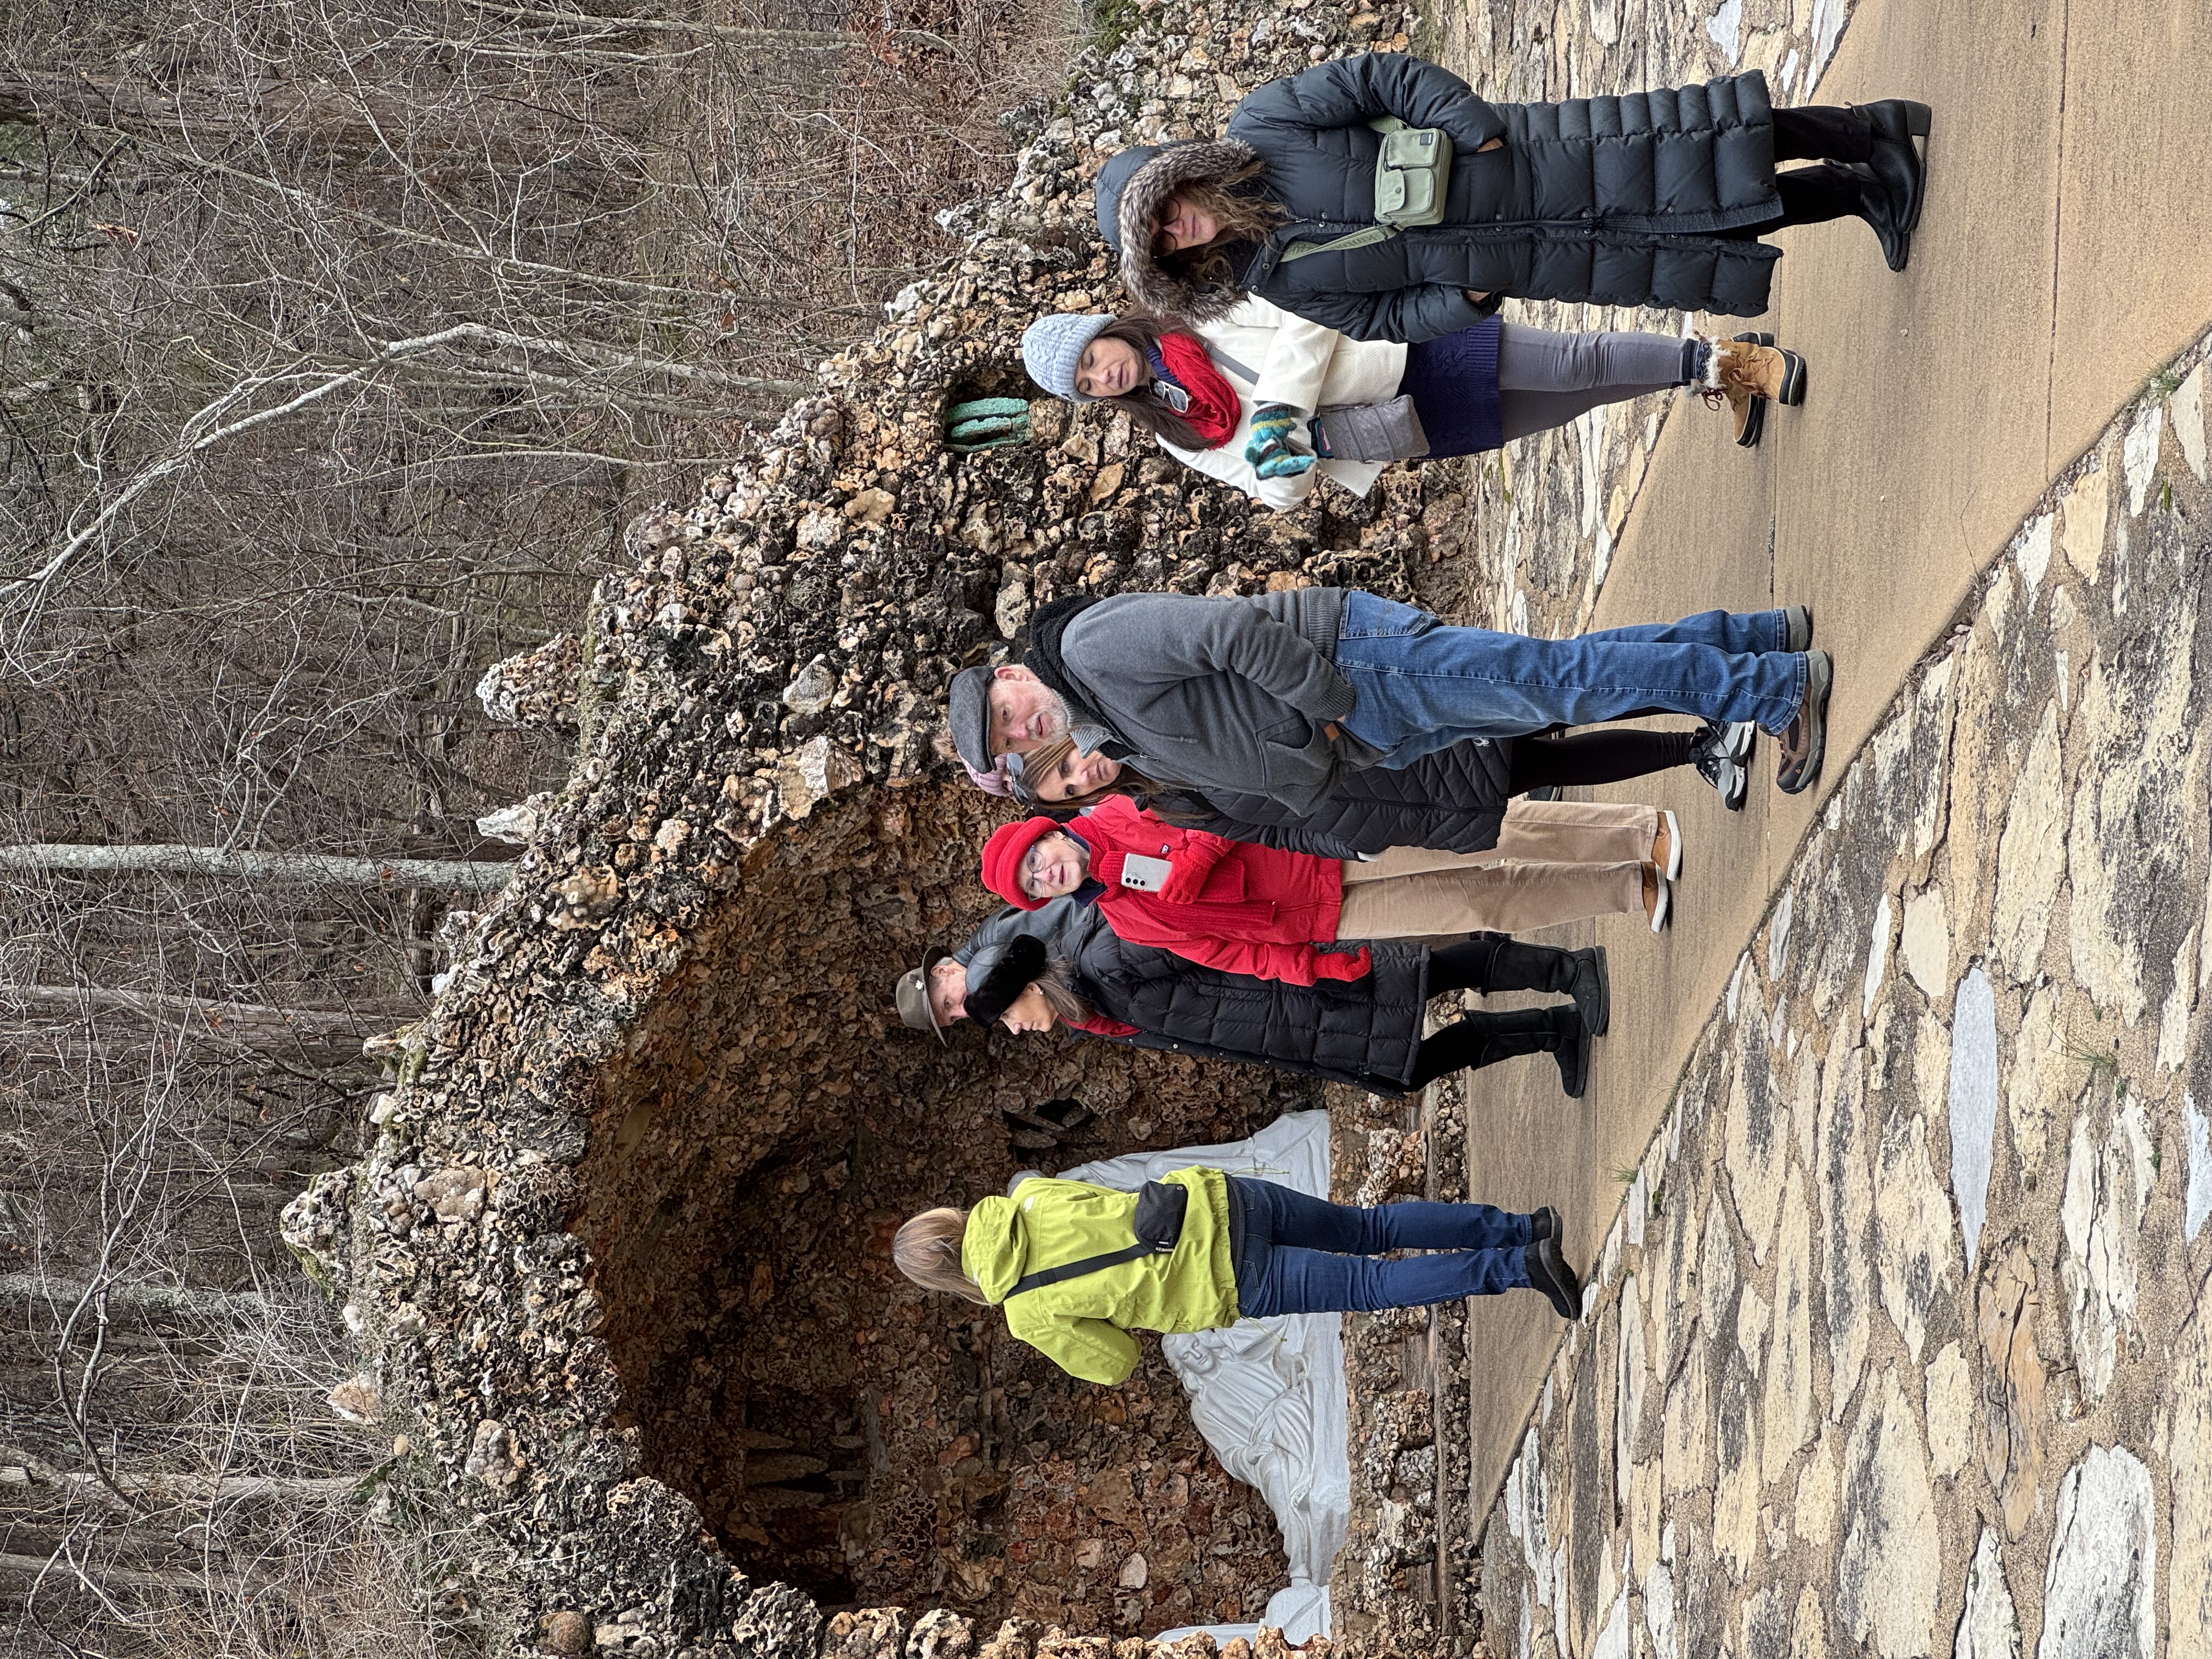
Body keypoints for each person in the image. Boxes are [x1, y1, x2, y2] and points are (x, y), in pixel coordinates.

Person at [1096, 53, 1930, 342]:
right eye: (1165, 244)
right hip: (1530, 256)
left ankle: (1864, 132)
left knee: (1701, 146)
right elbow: (1379, 321)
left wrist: (1469, 126)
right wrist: (1462, 302)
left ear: (1181, 175)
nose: (1178, 230)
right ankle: (1862, 194)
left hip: (1525, 160)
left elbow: (1380, 78)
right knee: (1703, 240)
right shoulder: (1275, 279)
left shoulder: (1265, 125)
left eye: (1167, 210)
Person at [945, 587, 1830, 811]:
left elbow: (1229, 633)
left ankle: (1773, 690)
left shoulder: (1091, 647)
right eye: (1011, 743)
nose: (1022, 731)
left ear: (1013, 674)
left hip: (1355, 665)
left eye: (1007, 711)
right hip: (1367, 713)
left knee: (1563, 682)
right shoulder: (1097, 716)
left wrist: (1326, 702)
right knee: (1562, 676)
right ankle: (1745, 638)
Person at [893, 1167, 1582, 1385]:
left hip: (1224, 1278)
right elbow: (1111, 1202)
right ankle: (1525, 1229)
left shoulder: (1024, 1314)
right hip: (1221, 1198)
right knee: (1370, 1225)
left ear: (948, 1280)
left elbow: (1116, 1360)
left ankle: (1518, 1267)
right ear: (949, 1218)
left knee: (1370, 1287)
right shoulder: (1029, 1196)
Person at [1022, 299, 1799, 477]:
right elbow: (1267, 489)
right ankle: (1701, 370)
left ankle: (1715, 362)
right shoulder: (1174, 429)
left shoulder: (1202, 314)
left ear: (1105, 328)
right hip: (1397, 431)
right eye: (1087, 385)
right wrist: (1283, 467)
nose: (1101, 375)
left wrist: (1283, 417)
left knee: (1573, 361)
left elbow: (1305, 321)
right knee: (1579, 399)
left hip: (1406, 356)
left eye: (1092, 356)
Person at [977, 794, 1675, 990]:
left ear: (1048, 835)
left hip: (1321, 841)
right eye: (1034, 885)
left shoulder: (1117, 809)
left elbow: (1220, 802)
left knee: (1486, 830)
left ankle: (1638, 833)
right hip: (1327, 915)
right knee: (1480, 903)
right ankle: (1624, 887)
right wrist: (1308, 965)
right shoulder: (1127, 919)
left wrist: (1195, 854)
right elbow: (1229, 953)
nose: (1046, 874)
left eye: (1036, 859)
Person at [944, 928, 1604, 1098]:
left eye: (1009, 1014)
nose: (1017, 1028)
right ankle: (1552, 1030)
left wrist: (1312, 968)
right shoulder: (1095, 1008)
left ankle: (1570, 970)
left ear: (1029, 984)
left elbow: (1225, 949)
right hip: (1293, 1028)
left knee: (1431, 972)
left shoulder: (1108, 957)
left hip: (1304, 988)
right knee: (1406, 1069)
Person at [1008, 722, 1756, 838]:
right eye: (1071, 789)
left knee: (1552, 702)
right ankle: (1700, 747)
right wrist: (1350, 840)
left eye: (1068, 762)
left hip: (1379, 735)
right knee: (1541, 765)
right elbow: (1272, 830)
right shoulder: (1162, 802)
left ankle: (1720, 687)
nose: (1083, 774)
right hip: (1382, 797)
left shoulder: (1155, 723)